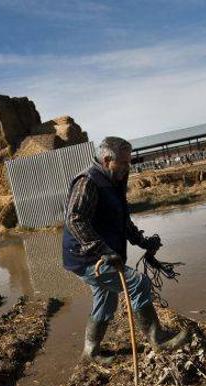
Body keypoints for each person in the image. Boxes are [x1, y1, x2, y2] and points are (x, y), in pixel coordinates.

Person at [62, 136, 189, 364]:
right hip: (86, 257)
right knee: (138, 283)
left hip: (100, 254)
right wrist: (103, 251)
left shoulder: (114, 180)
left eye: (129, 162)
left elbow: (122, 220)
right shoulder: (88, 181)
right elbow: (75, 220)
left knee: (106, 300)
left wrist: (142, 242)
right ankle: (158, 340)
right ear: (107, 159)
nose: (127, 167)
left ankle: (90, 353)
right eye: (123, 163)